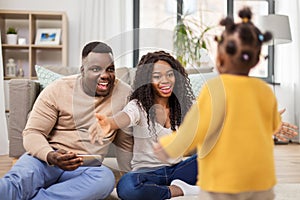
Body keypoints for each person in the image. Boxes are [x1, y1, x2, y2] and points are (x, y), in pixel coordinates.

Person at [154, 7, 296, 200]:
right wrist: (276, 123)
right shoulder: (264, 91)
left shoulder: (214, 89)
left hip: (222, 182)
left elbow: (195, 129)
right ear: (255, 61)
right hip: (260, 181)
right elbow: (271, 124)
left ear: (220, 58)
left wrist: (170, 146)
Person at [0, 41, 133, 200]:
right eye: (96, 69)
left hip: (87, 167)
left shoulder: (124, 94)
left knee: (105, 180)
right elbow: (33, 132)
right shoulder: (58, 89)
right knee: (14, 184)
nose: (105, 75)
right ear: (82, 70)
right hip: (47, 159)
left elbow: (125, 142)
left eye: (110, 69)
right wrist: (50, 156)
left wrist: (129, 179)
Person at [89, 50, 200, 200]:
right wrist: (110, 123)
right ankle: (177, 190)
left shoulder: (187, 105)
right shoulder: (139, 106)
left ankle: (168, 189)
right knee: (126, 186)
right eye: (157, 76)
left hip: (178, 170)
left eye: (169, 74)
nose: (165, 80)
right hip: (146, 174)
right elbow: (125, 117)